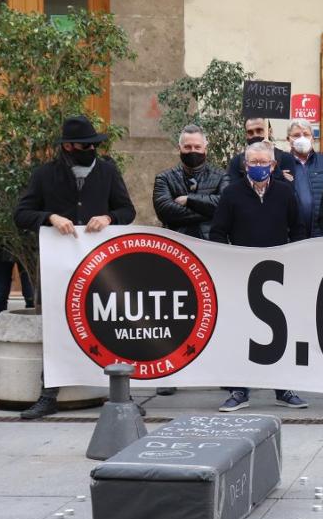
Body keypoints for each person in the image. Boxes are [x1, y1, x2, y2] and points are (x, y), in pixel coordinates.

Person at [13, 116, 136, 419]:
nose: (91, 150)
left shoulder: (107, 171)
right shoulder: (45, 175)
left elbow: (127, 210)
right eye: (85, 146)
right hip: (59, 268)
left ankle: (122, 395)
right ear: (68, 146)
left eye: (95, 145)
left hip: (101, 266)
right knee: (56, 326)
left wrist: (108, 218)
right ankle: (48, 394)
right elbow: (22, 214)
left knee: (112, 324)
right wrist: (50, 217)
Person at [209, 141, 310, 413]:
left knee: (281, 331)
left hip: (278, 273)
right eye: (253, 162)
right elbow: (218, 232)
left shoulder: (286, 193)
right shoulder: (231, 194)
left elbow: (298, 227)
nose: (258, 167)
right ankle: (240, 390)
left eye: (263, 162)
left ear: (273, 165)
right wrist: (230, 259)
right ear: (245, 165)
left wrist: (294, 256)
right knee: (242, 331)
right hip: (242, 273)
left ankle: (283, 388)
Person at [152, 124, 226, 240]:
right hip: (176, 246)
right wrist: (210, 212)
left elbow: (225, 206)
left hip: (212, 245)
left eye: (197, 147)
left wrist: (188, 199)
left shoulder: (222, 176)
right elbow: (165, 212)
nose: (193, 151)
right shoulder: (164, 178)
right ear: (179, 148)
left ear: (205, 149)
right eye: (187, 147)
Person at [282, 118, 323, 238]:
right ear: (288, 139)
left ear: (312, 138)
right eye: (296, 135)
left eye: (306, 134)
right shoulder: (281, 164)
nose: (302, 138)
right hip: (292, 237)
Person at [226, 117, 297, 186]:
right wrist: (280, 176)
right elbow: (234, 192)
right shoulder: (237, 161)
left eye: (259, 131)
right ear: (246, 135)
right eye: (250, 132)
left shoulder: (286, 158)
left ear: (270, 132)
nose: (255, 135)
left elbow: (288, 190)